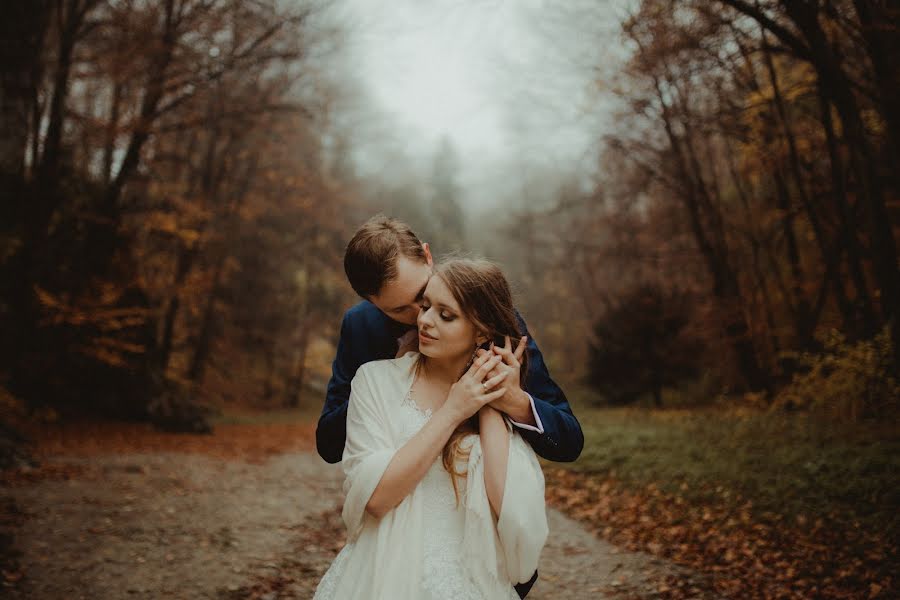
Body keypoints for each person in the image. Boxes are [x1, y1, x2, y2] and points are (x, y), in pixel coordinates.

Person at [317, 216, 584, 597]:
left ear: (427, 256)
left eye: (423, 297)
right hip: (390, 552)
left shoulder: (489, 315)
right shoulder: (362, 331)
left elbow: (569, 440)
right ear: (370, 302)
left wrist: (510, 400)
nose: (420, 318)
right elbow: (329, 443)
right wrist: (395, 381)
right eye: (398, 311)